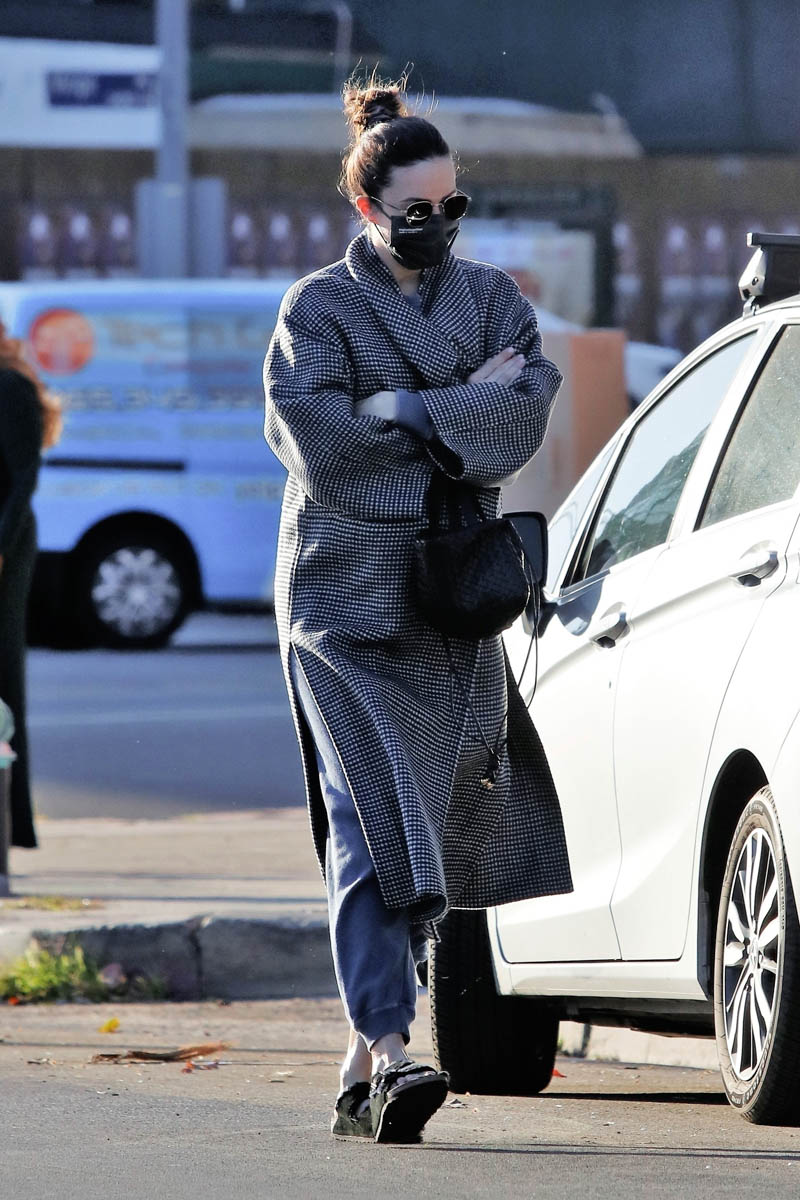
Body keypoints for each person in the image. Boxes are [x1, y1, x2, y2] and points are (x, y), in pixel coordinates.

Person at [263, 75, 573, 1144]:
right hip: (339, 602)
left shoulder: (492, 299)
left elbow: (522, 420)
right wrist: (456, 411)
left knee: (425, 823)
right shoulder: (315, 310)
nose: (436, 224)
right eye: (414, 210)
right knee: (369, 812)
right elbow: (322, 450)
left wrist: (397, 405)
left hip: (452, 605)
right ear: (366, 208)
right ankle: (395, 1048)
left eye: (453, 206)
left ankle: (361, 1066)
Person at [0, 325, 62, 849]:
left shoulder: (10, 386)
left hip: (6, 545)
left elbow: (24, 476)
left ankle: (9, 825)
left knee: (3, 682)